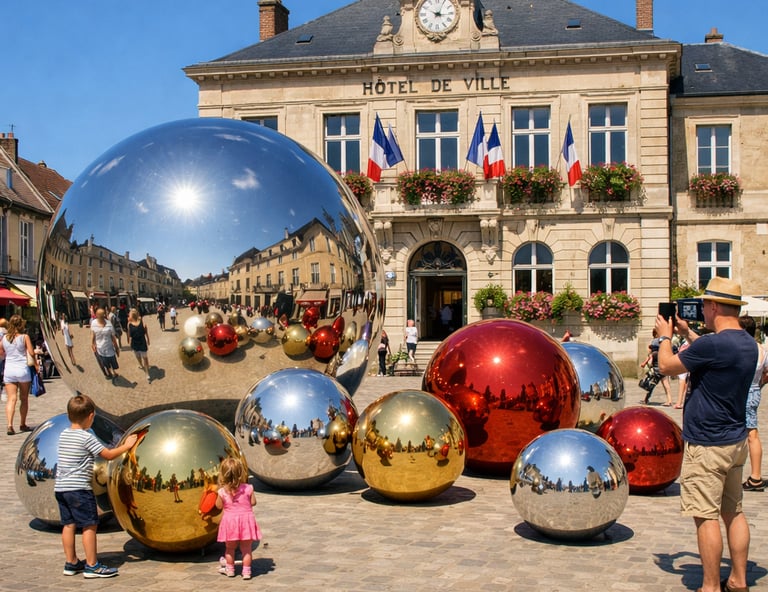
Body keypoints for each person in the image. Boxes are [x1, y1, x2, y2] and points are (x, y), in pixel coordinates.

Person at [656, 277, 756, 592]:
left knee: (706, 516)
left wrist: (665, 337)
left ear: (712, 306)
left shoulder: (712, 345)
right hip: (735, 441)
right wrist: (688, 333)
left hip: (707, 444)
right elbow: (714, 351)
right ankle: (739, 580)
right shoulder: (747, 344)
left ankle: (710, 586)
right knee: (733, 512)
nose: (701, 308)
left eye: (704, 304)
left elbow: (666, 366)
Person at [54, 394, 138, 578]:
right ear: (91, 416)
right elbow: (108, 454)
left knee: (68, 525)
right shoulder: (86, 438)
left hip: (61, 488)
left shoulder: (64, 435)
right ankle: (92, 565)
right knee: (89, 525)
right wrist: (128, 445)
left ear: (69, 415)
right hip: (79, 490)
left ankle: (71, 562)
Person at [215, 457, 262, 579]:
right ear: (241, 473)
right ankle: (246, 572)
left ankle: (230, 569)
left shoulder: (222, 492)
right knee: (246, 549)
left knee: (230, 548)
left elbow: (218, 506)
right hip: (246, 521)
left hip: (230, 522)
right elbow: (253, 503)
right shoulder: (248, 488)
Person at [738, 315, 767, 492]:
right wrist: (760, 384)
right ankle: (755, 475)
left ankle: (755, 476)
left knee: (745, 434)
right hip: (754, 390)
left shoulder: (743, 349)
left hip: (741, 391)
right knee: (751, 433)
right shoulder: (762, 349)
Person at [0, 315, 38, 435]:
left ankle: (10, 425)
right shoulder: (24, 337)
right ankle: (22, 424)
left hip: (9, 370)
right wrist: (36, 365)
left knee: (11, 399)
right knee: (24, 399)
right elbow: (31, 352)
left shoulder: (4, 338)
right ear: (21, 324)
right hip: (22, 370)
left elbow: (1, 353)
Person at [640, 329, 673, 406]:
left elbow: (650, 355)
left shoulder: (654, 342)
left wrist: (645, 363)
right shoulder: (665, 341)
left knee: (652, 383)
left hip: (656, 367)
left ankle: (646, 399)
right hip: (664, 365)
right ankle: (669, 400)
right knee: (666, 384)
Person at [90, 308, 120, 381]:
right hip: (100, 349)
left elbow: (113, 337)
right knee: (105, 363)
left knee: (111, 362)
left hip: (109, 348)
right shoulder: (93, 323)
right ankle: (110, 373)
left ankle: (113, 372)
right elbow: (93, 334)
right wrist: (92, 344)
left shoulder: (109, 324)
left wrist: (116, 348)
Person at [127, 308, 151, 382]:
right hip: (136, 342)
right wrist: (129, 341)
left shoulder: (141, 322)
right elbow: (129, 333)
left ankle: (146, 372)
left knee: (144, 358)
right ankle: (141, 365)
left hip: (140, 342)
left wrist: (148, 339)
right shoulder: (129, 324)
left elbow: (146, 331)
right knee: (140, 356)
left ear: (131, 315)